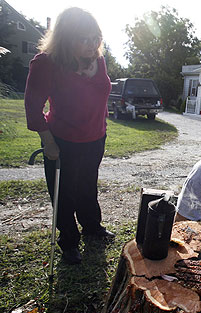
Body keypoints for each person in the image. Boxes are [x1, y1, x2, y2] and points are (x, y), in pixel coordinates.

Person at [24, 7, 114, 265]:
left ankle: (92, 227)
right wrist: (48, 142)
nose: (91, 44)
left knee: (88, 187)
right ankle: (69, 242)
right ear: (65, 37)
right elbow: (33, 107)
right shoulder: (46, 63)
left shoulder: (98, 60)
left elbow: (99, 92)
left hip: (95, 138)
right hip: (62, 141)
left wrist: (100, 130)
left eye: (95, 37)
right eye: (83, 39)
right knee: (63, 194)